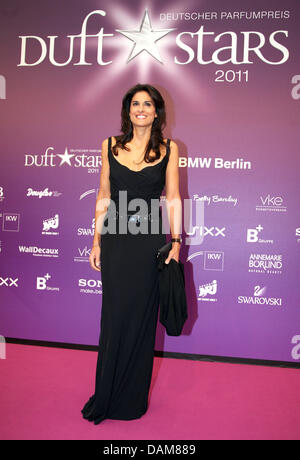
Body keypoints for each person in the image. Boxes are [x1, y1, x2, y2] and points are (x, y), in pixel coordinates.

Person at [81, 83, 182, 424]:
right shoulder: (109, 145)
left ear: (157, 112)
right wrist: (96, 240)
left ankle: (132, 399)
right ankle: (107, 391)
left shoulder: (170, 148)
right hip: (116, 238)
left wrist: (176, 241)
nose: (141, 108)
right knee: (114, 317)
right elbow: (104, 193)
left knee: (141, 318)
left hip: (149, 240)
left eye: (148, 104)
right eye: (135, 103)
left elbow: (173, 198)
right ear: (128, 111)